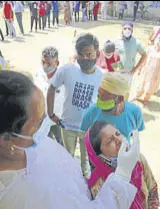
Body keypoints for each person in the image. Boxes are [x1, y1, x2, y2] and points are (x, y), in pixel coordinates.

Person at [0, 70, 140, 209]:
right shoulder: (27, 198)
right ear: (8, 140)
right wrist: (122, 174)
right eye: (38, 122)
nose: (45, 123)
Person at [47, 33, 104, 176]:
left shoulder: (102, 77)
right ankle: (68, 183)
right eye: (81, 54)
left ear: (97, 53)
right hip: (68, 126)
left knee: (87, 161)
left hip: (88, 129)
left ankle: (85, 183)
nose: (85, 58)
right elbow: (52, 87)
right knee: (67, 159)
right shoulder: (67, 70)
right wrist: (51, 114)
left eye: (89, 54)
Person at [85, 121, 160, 208]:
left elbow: (152, 190)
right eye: (110, 140)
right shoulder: (98, 185)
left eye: (118, 134)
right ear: (99, 157)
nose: (118, 140)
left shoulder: (138, 159)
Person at [81, 72, 144, 142]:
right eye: (99, 94)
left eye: (104, 97)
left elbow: (136, 134)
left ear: (120, 99)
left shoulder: (135, 112)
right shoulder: (92, 112)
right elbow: (84, 136)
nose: (99, 100)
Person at [34, 47, 64, 146]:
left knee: (61, 143)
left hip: (58, 120)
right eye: (43, 62)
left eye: (49, 64)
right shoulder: (39, 74)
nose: (45, 66)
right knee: (46, 145)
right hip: (42, 120)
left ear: (57, 63)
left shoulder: (64, 80)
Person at [114, 22, 147, 100]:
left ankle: (124, 106)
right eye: (125, 28)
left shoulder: (136, 43)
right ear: (122, 30)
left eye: (129, 29)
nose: (127, 30)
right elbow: (111, 54)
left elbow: (144, 55)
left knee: (125, 91)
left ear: (132, 30)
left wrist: (136, 68)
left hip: (128, 71)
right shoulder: (116, 41)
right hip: (117, 70)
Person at [136, 33, 160, 105]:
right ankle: (137, 96)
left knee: (151, 86)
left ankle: (146, 99)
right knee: (142, 84)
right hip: (147, 70)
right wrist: (140, 68)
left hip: (156, 72)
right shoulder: (151, 48)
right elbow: (145, 58)